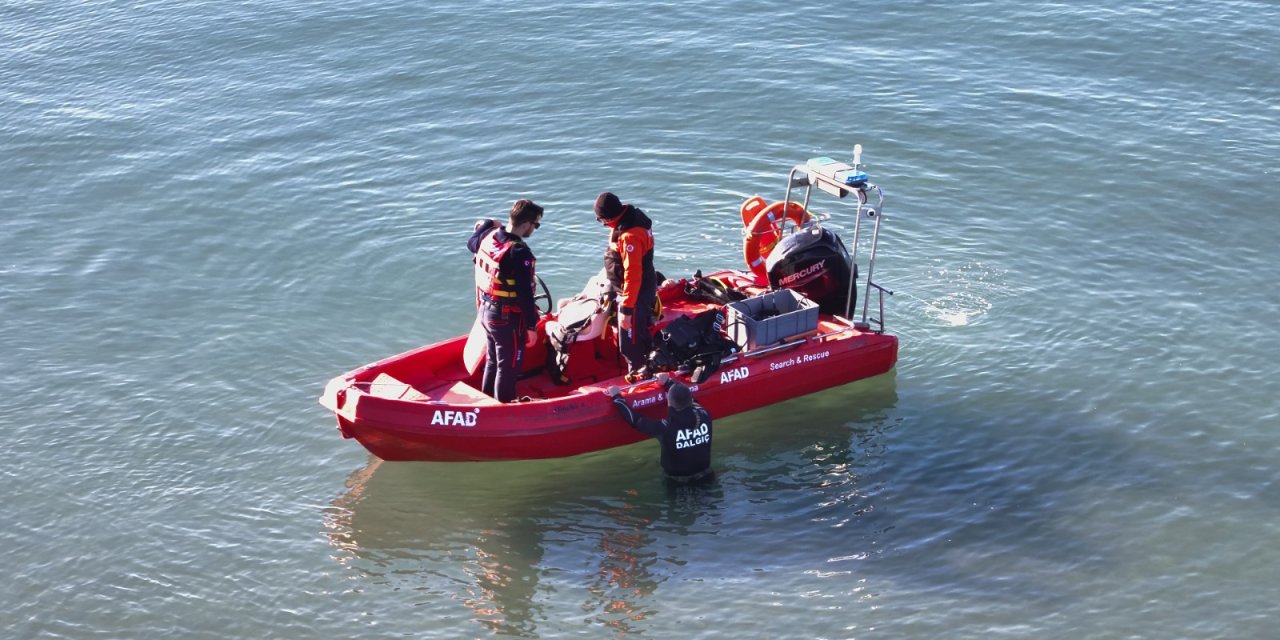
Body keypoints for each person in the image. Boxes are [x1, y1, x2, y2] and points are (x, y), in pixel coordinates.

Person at [468, 199, 544, 403]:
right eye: (536, 225)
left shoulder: (489, 237)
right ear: (527, 223)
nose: (534, 229)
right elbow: (525, 294)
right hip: (506, 319)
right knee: (508, 366)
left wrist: (487, 223)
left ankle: (486, 401)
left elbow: (471, 242)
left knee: (493, 360)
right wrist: (531, 327)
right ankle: (504, 408)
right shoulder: (519, 252)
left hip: (486, 312)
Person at [593, 191, 657, 383]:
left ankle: (641, 375)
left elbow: (633, 275)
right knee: (635, 333)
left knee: (630, 341)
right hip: (631, 288)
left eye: (601, 220)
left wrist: (627, 309)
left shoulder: (630, 237)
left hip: (635, 293)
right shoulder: (627, 219)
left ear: (608, 217)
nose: (602, 224)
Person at [607, 372, 714, 484]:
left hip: (677, 483)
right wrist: (668, 382)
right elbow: (692, 402)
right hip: (707, 476)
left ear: (669, 402)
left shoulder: (665, 427)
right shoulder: (705, 415)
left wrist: (617, 397)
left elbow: (635, 420)